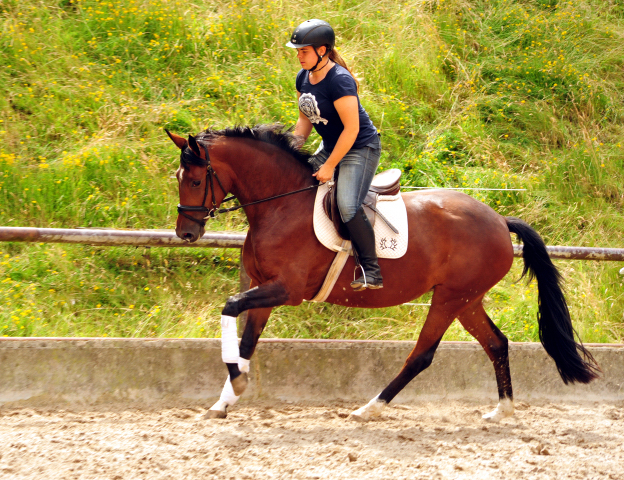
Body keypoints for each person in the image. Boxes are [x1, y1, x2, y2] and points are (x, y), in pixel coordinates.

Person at [286, 19, 383, 291]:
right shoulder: (303, 77)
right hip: (331, 144)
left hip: (359, 147)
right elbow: (305, 121)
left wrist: (329, 165)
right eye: (298, 51)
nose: (298, 56)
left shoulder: (340, 81)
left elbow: (352, 130)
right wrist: (293, 149)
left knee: (347, 206)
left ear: (322, 50)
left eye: (303, 51)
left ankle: (371, 270)